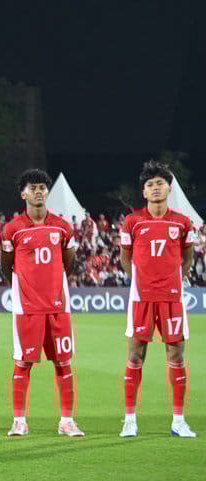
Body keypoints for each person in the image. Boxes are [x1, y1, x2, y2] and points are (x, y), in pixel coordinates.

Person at [0, 169, 84, 437]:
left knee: (63, 363)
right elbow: (6, 267)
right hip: (28, 308)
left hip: (58, 307)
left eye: (42, 187)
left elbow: (68, 262)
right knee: (22, 363)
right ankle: (19, 420)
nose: (38, 191)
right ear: (23, 193)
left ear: (47, 193)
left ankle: (67, 421)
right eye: (32, 187)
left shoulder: (63, 227)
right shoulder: (12, 229)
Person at [119, 161, 197, 438]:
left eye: (160, 183)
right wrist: (138, 281)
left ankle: (178, 421)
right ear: (144, 192)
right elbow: (125, 257)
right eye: (150, 184)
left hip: (173, 298)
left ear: (169, 188)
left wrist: (176, 278)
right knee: (135, 355)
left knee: (176, 354)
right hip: (141, 298)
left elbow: (187, 256)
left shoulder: (182, 222)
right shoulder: (132, 221)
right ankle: (130, 419)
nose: (155, 188)